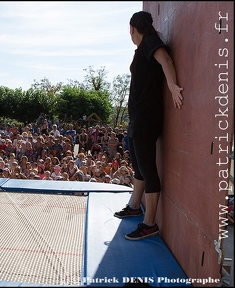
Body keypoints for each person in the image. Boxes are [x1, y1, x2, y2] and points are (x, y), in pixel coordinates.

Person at [113, 11, 183, 241]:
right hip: (137, 118)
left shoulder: (152, 42)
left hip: (146, 119)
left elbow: (166, 59)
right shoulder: (142, 47)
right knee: (138, 165)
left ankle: (150, 223)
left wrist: (173, 86)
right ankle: (135, 206)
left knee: (148, 169)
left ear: (132, 28)